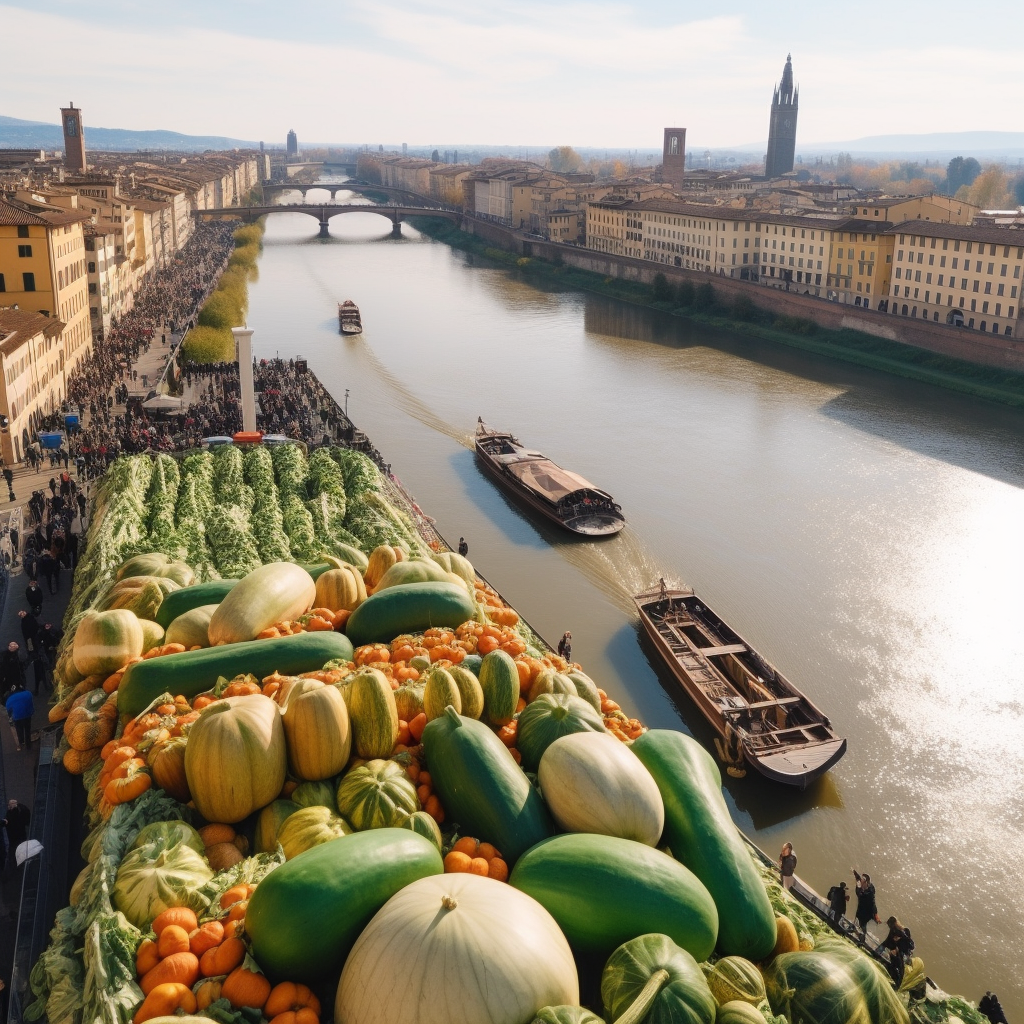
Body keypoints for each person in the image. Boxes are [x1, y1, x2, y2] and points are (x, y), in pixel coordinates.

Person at [881, 917, 912, 988]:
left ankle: (898, 983)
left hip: (903, 952)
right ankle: (896, 980)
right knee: (895, 963)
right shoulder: (894, 930)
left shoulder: (905, 932)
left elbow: (907, 944)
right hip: (899, 951)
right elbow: (887, 941)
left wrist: (897, 949)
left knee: (899, 966)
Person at [5, 683, 34, 750]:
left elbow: (8, 708)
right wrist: (31, 712)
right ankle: (28, 745)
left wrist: (10, 716)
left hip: (17, 717)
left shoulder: (10, 699)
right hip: (27, 715)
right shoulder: (28, 694)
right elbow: (31, 704)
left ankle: (21, 743)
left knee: (19, 730)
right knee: (27, 730)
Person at [852, 869, 879, 939]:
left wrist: (858, 887)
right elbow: (859, 879)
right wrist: (855, 872)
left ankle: (862, 937)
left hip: (865, 912)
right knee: (859, 922)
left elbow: (859, 894)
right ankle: (860, 933)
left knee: (862, 924)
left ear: (865, 883)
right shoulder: (870, 888)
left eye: (862, 881)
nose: (861, 881)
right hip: (864, 910)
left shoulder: (868, 893)